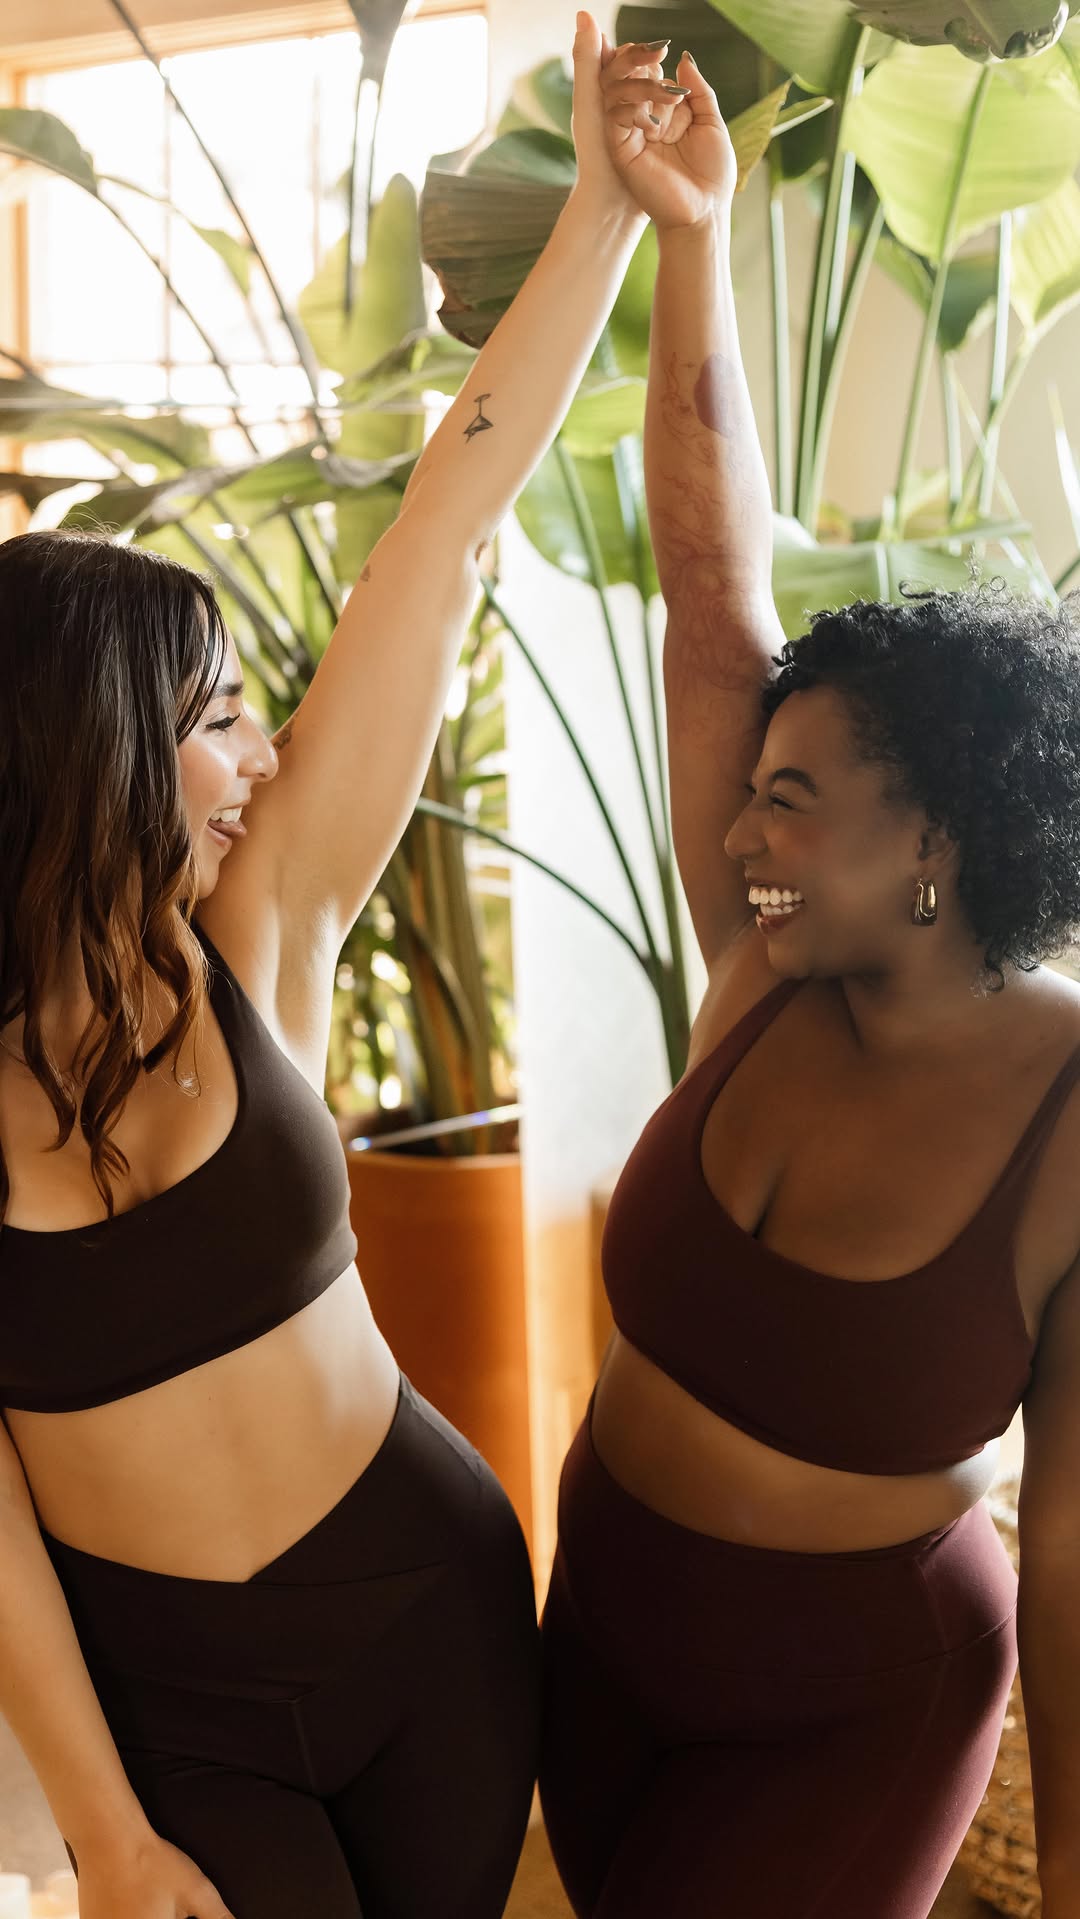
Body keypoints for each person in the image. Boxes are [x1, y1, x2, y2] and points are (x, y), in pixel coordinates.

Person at [0, 18, 647, 1919]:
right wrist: (108, 1840)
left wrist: (605, 208)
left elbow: (445, 531)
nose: (262, 749)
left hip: (428, 1619)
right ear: (90, 756)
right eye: (213, 718)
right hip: (181, 1717)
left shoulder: (258, 929)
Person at [539, 37, 1080, 1919]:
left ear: (938, 841)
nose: (742, 838)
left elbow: (1076, 1527)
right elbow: (710, 592)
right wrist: (688, 236)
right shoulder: (773, 964)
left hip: (853, 1705)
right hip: (599, 1637)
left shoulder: (1071, 1103)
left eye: (793, 801)